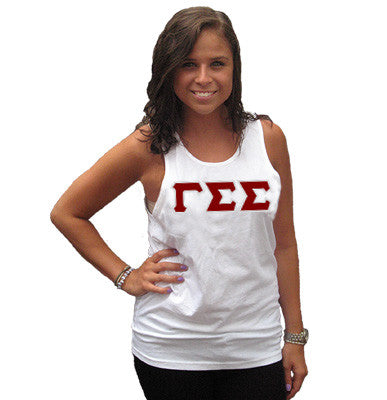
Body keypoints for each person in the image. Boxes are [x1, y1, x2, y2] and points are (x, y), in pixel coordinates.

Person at [50, 6, 308, 400]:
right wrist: (125, 276)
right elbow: (68, 213)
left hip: (256, 345)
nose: (203, 78)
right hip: (171, 349)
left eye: (217, 63)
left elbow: (284, 245)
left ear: (235, 68)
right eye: (188, 64)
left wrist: (295, 335)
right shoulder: (149, 146)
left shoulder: (267, 139)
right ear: (169, 70)